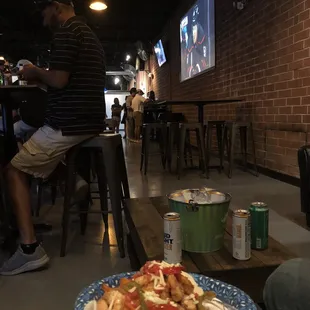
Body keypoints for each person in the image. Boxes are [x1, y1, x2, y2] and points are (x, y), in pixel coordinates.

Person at [0, 0, 106, 276]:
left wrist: (35, 72)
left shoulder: (67, 32)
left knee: (13, 170)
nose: (42, 18)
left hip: (69, 123)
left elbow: (59, 80)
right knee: (34, 140)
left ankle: (29, 248)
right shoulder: (86, 33)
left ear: (57, 6)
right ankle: (78, 181)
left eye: (44, 11)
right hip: (88, 120)